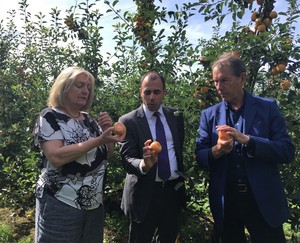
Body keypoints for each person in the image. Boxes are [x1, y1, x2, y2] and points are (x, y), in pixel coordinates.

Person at [195, 53, 295, 243]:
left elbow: (286, 151)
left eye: (224, 80)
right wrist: (217, 150)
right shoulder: (209, 115)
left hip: (262, 199)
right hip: (227, 201)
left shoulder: (268, 108)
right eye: (215, 82)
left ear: (242, 78)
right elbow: (200, 156)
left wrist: (249, 140)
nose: (219, 87)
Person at [33, 66, 125, 243]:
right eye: (80, 85)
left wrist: (107, 133)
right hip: (60, 203)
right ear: (64, 87)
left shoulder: (89, 120)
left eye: (88, 87)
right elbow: (56, 157)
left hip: (93, 205)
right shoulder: (50, 116)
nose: (85, 91)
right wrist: (99, 140)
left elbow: (106, 156)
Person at [118, 71, 186, 243]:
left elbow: (178, 149)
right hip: (144, 192)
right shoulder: (128, 121)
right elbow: (127, 159)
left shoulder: (175, 116)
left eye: (156, 92)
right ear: (140, 92)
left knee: (168, 238)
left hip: (172, 191)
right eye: (147, 92)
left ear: (164, 92)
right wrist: (144, 164)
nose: (152, 97)